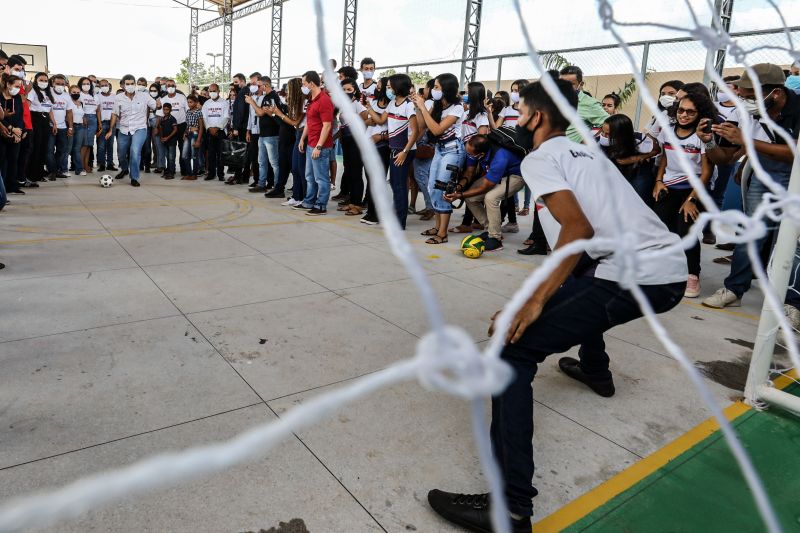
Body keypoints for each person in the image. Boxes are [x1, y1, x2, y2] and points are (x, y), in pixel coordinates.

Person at [427, 78, 687, 533]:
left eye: (518, 113)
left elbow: (576, 230)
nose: (513, 121)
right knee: (575, 299)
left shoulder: (542, 157)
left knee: (511, 352)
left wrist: (529, 302)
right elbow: (579, 246)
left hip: (635, 272)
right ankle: (595, 369)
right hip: (658, 269)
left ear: (536, 117)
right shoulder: (586, 152)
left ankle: (509, 508)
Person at [702, 64, 800, 315]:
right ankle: (734, 289)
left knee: (790, 240)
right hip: (764, 173)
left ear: (775, 93)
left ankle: (790, 303)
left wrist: (746, 141)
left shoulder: (797, 109)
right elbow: (726, 157)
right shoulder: (747, 111)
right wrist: (710, 141)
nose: (744, 100)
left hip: (796, 177)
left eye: (750, 95)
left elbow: (795, 154)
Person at [652, 91, 715, 298]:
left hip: (692, 189)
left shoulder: (702, 137)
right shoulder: (667, 131)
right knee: (662, 230)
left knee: (686, 231)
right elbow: (664, 159)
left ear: (699, 114)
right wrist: (658, 181)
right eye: (681, 110)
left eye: (690, 112)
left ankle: (692, 275)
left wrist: (692, 200)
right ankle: (667, 270)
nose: (684, 115)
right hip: (668, 187)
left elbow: (706, 172)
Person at [447, 134, 525, 252]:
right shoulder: (474, 149)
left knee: (491, 197)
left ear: (481, 154)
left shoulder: (500, 156)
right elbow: (469, 172)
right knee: (471, 198)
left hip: (515, 176)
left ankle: (495, 239)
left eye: (470, 154)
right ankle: (491, 230)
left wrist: (460, 195)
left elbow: (486, 187)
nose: (468, 155)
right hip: (496, 174)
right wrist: (459, 187)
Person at [412, 73, 463, 241]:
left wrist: (424, 108)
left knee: (443, 190)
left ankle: (443, 233)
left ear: (446, 89)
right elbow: (423, 126)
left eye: (436, 87)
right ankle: (437, 227)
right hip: (439, 150)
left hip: (452, 151)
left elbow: (437, 130)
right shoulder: (437, 106)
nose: (433, 90)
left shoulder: (457, 108)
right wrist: (418, 108)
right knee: (431, 188)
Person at [368, 73, 419, 228]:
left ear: (398, 87)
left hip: (404, 151)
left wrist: (404, 152)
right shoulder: (391, 104)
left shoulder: (408, 105)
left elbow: (415, 132)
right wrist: (369, 108)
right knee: (396, 183)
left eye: (390, 86)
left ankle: (400, 220)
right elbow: (381, 120)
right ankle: (398, 215)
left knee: (399, 185)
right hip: (394, 149)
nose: (387, 89)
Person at [294, 70, 334, 216]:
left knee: (321, 178)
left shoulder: (324, 100)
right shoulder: (312, 99)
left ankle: (321, 205)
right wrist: (303, 138)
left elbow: (327, 125)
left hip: (320, 147)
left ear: (311, 83)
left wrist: (319, 146)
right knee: (309, 176)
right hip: (311, 143)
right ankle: (309, 201)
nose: (303, 86)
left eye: (304, 83)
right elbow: (310, 122)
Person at [107, 74, 157, 187]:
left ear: (135, 84)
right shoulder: (118, 98)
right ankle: (124, 169)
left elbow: (155, 105)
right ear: (123, 85)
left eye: (132, 83)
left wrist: (157, 105)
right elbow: (114, 114)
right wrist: (110, 129)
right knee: (121, 153)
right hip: (123, 129)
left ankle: (134, 177)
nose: (130, 86)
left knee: (135, 151)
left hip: (140, 128)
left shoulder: (144, 96)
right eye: (127, 84)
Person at [597, 114, 659, 203]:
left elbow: (656, 150)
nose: (604, 136)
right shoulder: (598, 142)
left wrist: (635, 158)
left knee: (638, 199)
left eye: (608, 134)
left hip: (638, 172)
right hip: (615, 173)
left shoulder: (638, 139)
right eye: (603, 132)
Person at [336, 78, 369, 216]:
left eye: (349, 89)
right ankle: (351, 202)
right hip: (346, 142)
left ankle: (357, 204)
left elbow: (367, 119)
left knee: (356, 173)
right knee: (349, 171)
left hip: (356, 142)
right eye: (343, 89)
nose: (346, 92)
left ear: (355, 90)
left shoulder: (357, 104)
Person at [274, 78, 307, 207]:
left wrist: (279, 114)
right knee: (295, 168)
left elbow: (295, 122)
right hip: (298, 135)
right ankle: (296, 196)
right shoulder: (294, 103)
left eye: (288, 88)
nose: (287, 91)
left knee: (301, 169)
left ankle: (304, 197)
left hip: (303, 135)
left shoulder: (303, 102)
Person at [247, 75, 282, 193]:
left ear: (266, 85)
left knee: (274, 162)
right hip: (263, 134)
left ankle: (278, 186)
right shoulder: (267, 97)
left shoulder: (271, 97)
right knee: (261, 161)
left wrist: (252, 102)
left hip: (271, 135)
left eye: (259, 85)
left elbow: (261, 113)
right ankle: (262, 184)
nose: (258, 87)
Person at [560, 65, 609, 141]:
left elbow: (612, 125)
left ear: (580, 84)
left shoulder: (589, 103)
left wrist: (592, 141)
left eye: (570, 84)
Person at [27, 72, 56, 182]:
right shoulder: (33, 91)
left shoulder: (49, 93)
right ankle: (32, 174)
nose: (43, 82)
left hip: (45, 121)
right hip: (35, 119)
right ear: (36, 80)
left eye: (45, 80)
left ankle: (39, 173)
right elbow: (28, 108)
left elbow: (50, 110)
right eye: (41, 80)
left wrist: (54, 124)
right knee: (36, 148)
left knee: (43, 148)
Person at [0, 73, 25, 194]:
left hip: (15, 132)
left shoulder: (18, 98)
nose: (18, 89)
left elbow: (20, 116)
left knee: (13, 159)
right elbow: (1, 118)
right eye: (16, 86)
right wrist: (11, 129)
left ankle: (12, 186)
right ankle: (3, 188)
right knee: (3, 160)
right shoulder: (0, 97)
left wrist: (18, 131)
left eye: (19, 86)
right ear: (8, 84)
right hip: (3, 132)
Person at [201, 83, 229, 181]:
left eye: (214, 91)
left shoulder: (224, 103)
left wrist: (217, 128)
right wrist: (209, 128)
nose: (212, 93)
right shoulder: (206, 103)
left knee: (221, 154)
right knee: (211, 154)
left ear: (218, 91)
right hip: (210, 131)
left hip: (220, 131)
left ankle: (220, 174)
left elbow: (226, 117)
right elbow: (204, 117)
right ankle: (211, 173)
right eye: (210, 91)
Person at [49, 74, 75, 180]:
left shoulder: (66, 96)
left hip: (63, 127)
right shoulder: (48, 92)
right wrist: (53, 123)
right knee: (49, 151)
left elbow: (69, 112)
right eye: (57, 84)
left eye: (62, 84)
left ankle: (55, 171)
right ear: (52, 83)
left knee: (62, 150)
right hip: (49, 126)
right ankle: (52, 171)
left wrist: (70, 127)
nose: (60, 86)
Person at [162, 79, 189, 176]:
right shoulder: (163, 99)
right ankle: (170, 170)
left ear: (176, 87)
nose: (170, 87)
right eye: (168, 85)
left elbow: (188, 112)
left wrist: (188, 127)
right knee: (170, 151)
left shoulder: (182, 97)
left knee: (183, 149)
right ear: (165, 87)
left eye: (172, 85)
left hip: (182, 126)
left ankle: (184, 169)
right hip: (169, 128)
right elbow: (160, 115)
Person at [229, 73, 251, 184]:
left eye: (236, 82)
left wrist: (236, 127)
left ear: (242, 81)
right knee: (245, 152)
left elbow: (240, 112)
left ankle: (239, 176)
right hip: (245, 126)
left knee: (240, 152)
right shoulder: (245, 92)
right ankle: (243, 176)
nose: (235, 84)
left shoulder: (243, 92)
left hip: (242, 127)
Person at [243, 77, 264, 190]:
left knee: (264, 158)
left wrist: (253, 102)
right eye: (250, 84)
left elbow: (260, 113)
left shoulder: (265, 97)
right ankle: (256, 180)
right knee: (254, 157)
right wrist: (248, 131)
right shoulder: (252, 97)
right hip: (254, 131)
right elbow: (250, 116)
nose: (252, 86)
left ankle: (265, 181)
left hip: (263, 131)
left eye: (254, 84)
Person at [78, 77, 100, 174]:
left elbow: (98, 110)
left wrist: (99, 123)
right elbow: (77, 108)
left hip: (93, 119)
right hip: (84, 118)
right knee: (83, 144)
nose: (86, 85)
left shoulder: (95, 96)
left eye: (88, 83)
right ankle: (81, 166)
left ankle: (86, 165)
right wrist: (82, 118)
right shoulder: (79, 95)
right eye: (84, 83)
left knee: (89, 145)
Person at [96, 79, 117, 171]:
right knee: (101, 145)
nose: (105, 87)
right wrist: (99, 123)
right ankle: (101, 164)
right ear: (100, 87)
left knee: (110, 145)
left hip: (112, 123)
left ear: (109, 85)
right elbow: (98, 110)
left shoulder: (114, 97)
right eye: (102, 85)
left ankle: (110, 164)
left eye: (106, 85)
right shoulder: (97, 96)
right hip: (102, 123)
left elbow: (115, 111)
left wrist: (112, 126)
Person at [181, 95, 204, 180]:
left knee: (194, 155)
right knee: (184, 155)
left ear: (196, 102)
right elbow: (187, 125)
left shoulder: (198, 112)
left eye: (191, 102)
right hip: (188, 134)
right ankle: (188, 173)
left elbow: (201, 126)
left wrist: (198, 140)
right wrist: (185, 132)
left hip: (195, 134)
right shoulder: (188, 111)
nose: (189, 104)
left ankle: (194, 174)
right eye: (188, 102)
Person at [68, 85, 87, 176]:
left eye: (78, 93)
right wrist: (70, 127)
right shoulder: (68, 102)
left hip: (80, 127)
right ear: (70, 93)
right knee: (67, 148)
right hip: (70, 126)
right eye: (74, 92)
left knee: (77, 149)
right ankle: (61, 168)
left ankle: (79, 169)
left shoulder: (81, 103)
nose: (76, 94)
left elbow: (82, 115)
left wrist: (83, 121)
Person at [158, 103, 179, 179]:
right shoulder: (162, 119)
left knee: (171, 157)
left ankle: (171, 172)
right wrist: (161, 137)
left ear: (170, 110)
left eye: (167, 109)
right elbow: (160, 128)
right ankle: (167, 171)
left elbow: (175, 130)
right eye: (164, 109)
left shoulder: (172, 119)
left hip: (172, 141)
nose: (165, 111)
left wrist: (168, 137)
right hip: (165, 141)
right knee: (167, 156)